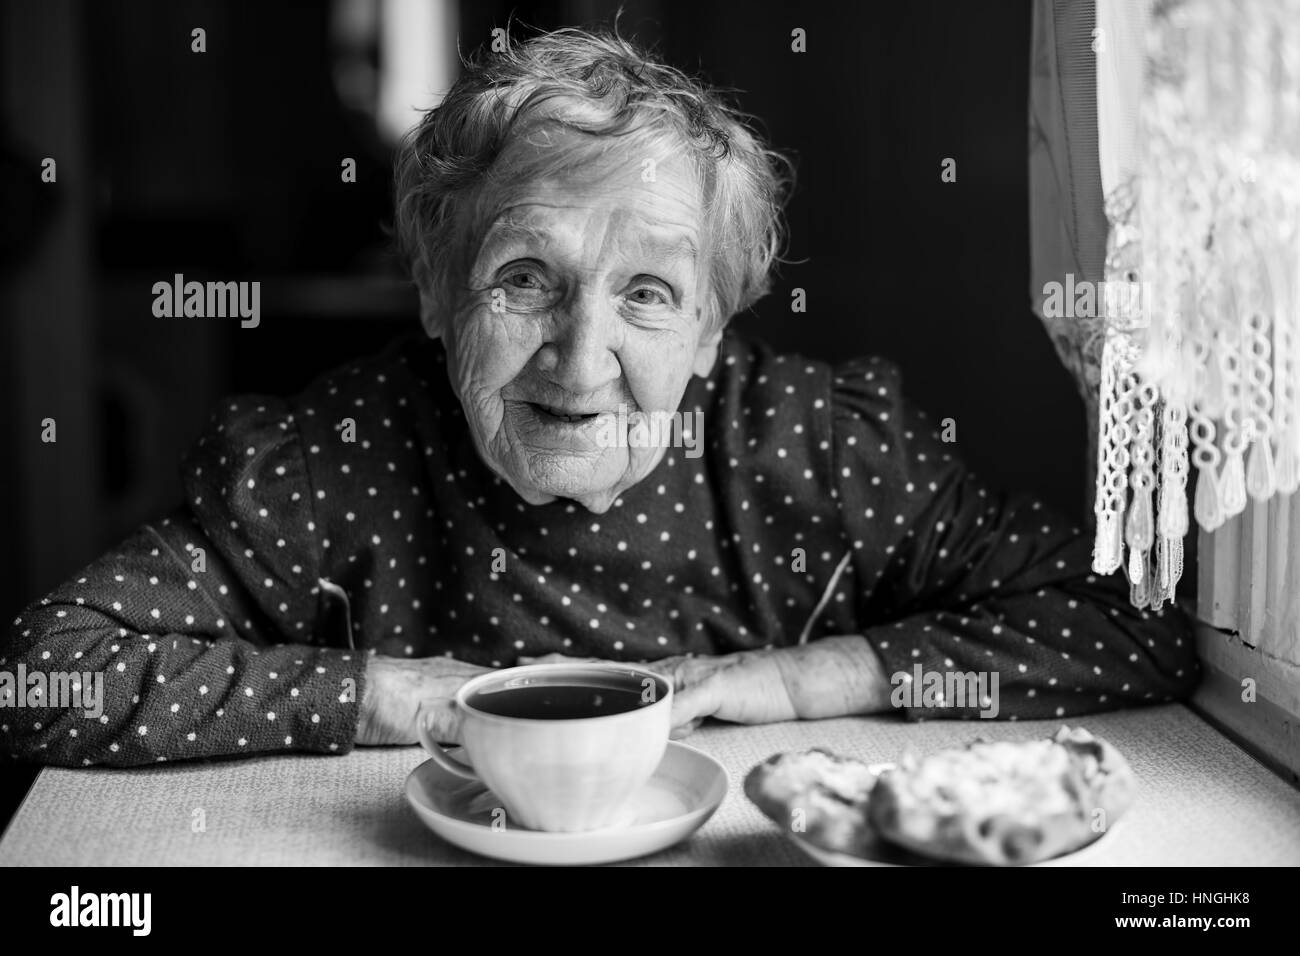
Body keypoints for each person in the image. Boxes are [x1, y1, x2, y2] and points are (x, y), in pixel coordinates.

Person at [2, 27, 1198, 767]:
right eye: (524, 279)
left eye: (646, 295)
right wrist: (391, 696)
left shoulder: (816, 452)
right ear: (434, 292)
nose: (579, 360)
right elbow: (44, 671)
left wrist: (796, 677)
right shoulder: (338, 457)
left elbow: (1131, 622)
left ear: (715, 328)